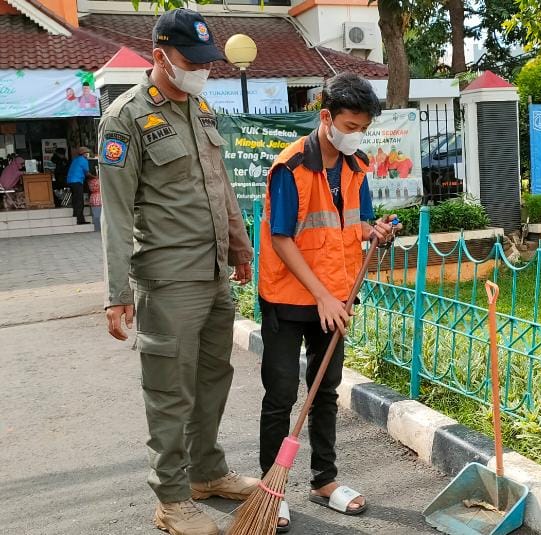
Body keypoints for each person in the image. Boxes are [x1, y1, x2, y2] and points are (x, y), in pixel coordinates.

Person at [98, 9, 257, 535]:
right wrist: (116, 291)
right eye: (193, 61)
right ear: (160, 54)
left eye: (208, 62)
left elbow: (222, 185)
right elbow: (116, 213)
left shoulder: (203, 110)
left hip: (213, 272)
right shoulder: (125, 118)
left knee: (213, 379)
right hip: (167, 279)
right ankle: (170, 499)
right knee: (169, 391)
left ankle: (206, 474)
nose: (203, 70)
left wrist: (240, 247)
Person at [257, 73, 397, 531]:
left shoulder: (356, 169)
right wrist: (320, 296)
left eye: (363, 128)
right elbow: (282, 239)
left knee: (326, 393)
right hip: (290, 297)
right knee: (281, 395)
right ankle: (270, 489)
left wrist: (373, 232)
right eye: (350, 125)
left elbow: (354, 224)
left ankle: (325, 481)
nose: (356, 135)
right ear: (326, 117)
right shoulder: (291, 166)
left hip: (335, 298)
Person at [66, 147, 95, 224]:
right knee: (79, 201)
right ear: (84, 153)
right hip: (77, 181)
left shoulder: (76, 159)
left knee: (75, 199)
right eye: (87, 153)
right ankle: (80, 220)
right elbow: (87, 173)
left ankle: (75, 214)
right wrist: (95, 177)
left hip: (70, 181)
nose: (88, 154)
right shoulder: (83, 160)